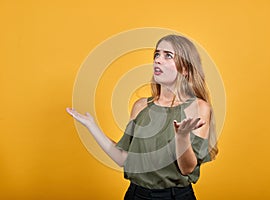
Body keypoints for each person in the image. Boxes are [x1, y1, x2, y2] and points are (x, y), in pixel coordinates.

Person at [66, 34, 218, 200]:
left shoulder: (199, 107)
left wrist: (182, 137)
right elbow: (124, 159)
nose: (158, 60)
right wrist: (92, 126)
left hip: (176, 196)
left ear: (185, 69)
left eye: (168, 55)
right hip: (136, 195)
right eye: (157, 54)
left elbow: (187, 169)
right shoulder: (141, 106)